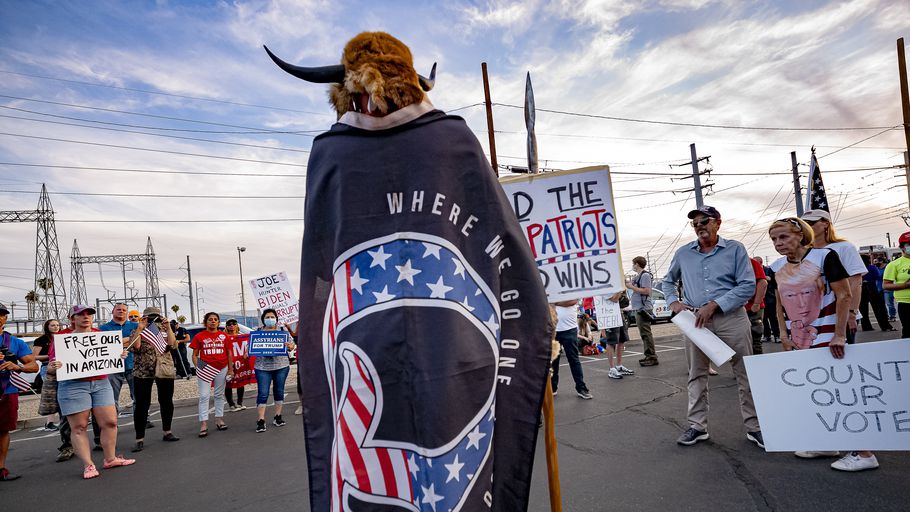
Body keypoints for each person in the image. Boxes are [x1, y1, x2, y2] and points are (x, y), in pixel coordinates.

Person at [767, 218, 877, 471]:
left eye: (783, 237)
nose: (778, 243)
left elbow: (844, 294)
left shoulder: (824, 257)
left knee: (840, 391)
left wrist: (839, 334)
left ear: (800, 234)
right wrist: (783, 334)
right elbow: (779, 303)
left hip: (828, 333)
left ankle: (864, 452)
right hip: (800, 336)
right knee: (815, 391)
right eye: (774, 239)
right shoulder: (777, 267)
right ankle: (827, 442)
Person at [661, 206, 763, 448]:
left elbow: (748, 285)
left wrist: (716, 304)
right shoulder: (684, 253)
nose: (699, 226)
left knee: (745, 372)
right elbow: (668, 281)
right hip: (696, 320)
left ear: (718, 223)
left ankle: (755, 427)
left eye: (704, 221)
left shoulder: (735, 249)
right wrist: (673, 302)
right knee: (696, 374)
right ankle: (697, 426)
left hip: (731, 317)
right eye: (694, 223)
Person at [49, 305, 135, 479]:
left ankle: (110, 458)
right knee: (79, 426)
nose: (85, 317)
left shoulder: (100, 335)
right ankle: (88, 465)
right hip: (73, 385)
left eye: (89, 314)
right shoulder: (62, 338)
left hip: (100, 383)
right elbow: (52, 364)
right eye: (80, 314)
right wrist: (52, 366)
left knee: (110, 422)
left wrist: (120, 355)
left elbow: (110, 355)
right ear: (72, 318)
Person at [800, 210, 866, 344]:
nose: (807, 226)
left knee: (841, 354)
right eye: (803, 224)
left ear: (825, 224)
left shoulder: (844, 247)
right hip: (813, 316)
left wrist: (852, 312)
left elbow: (856, 281)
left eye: (811, 223)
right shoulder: (803, 252)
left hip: (840, 314)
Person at [126, 307, 180, 452]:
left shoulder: (164, 330)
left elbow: (173, 345)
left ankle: (167, 431)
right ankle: (139, 439)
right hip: (143, 371)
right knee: (142, 404)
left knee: (167, 401)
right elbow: (135, 347)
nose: (153, 320)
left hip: (164, 368)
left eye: (156, 317)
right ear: (144, 318)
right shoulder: (138, 330)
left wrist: (168, 328)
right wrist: (140, 328)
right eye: (150, 317)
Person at [0, 302, 39, 481]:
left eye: (1, 314)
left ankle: (1, 469)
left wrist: (18, 367)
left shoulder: (14, 342)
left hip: (6, 390)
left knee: (3, 430)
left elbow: (33, 365)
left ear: (5, 318)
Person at [190, 312, 233, 436]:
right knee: (204, 396)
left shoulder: (224, 336)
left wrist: (230, 369)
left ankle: (219, 419)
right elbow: (194, 355)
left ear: (218, 322)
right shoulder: (199, 336)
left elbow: (229, 353)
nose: (213, 321)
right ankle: (203, 423)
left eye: (215, 319)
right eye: (210, 319)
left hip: (222, 368)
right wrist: (200, 368)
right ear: (206, 322)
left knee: (219, 394)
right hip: (206, 369)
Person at [253, 309, 297, 432]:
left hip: (281, 366)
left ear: (276, 319)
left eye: (272, 317)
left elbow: (292, 344)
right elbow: (250, 346)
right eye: (268, 317)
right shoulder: (257, 331)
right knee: (263, 393)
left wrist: (290, 346)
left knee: (279, 391)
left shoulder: (282, 331)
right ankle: (261, 419)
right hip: (262, 367)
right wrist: (248, 351)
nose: (270, 319)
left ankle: (278, 416)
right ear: (263, 319)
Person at [99, 303, 139, 422]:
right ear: (113, 311)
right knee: (112, 398)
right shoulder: (103, 328)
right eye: (118, 309)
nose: (121, 311)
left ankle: (142, 420)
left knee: (137, 396)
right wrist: (129, 339)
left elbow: (139, 342)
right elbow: (103, 345)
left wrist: (116, 342)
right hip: (113, 367)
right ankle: (112, 423)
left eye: (124, 310)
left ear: (127, 312)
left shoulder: (136, 325)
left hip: (133, 365)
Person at [551, 300, 593, 399]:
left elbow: (572, 301)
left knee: (574, 360)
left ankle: (581, 387)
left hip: (569, 329)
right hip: (553, 329)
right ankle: (552, 387)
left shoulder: (570, 285)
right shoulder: (551, 286)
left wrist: (554, 302)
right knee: (553, 361)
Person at [626, 256, 658, 366]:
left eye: (633, 264)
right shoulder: (639, 276)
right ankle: (648, 355)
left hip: (643, 308)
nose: (632, 266)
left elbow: (646, 291)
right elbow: (630, 284)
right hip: (639, 308)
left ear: (637, 264)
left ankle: (652, 357)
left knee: (646, 333)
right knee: (644, 333)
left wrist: (632, 287)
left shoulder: (645, 275)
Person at [32, 318, 61, 431]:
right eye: (53, 325)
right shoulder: (41, 340)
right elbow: (34, 356)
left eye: (57, 325)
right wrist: (51, 355)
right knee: (52, 394)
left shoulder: (63, 337)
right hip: (47, 367)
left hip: (63, 366)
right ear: (47, 327)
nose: (56, 327)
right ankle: (49, 423)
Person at [600, 291, 634, 379]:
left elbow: (624, 302)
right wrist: (620, 289)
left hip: (619, 313)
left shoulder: (614, 285)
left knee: (622, 340)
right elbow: (614, 299)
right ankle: (612, 369)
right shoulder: (605, 286)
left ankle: (619, 366)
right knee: (611, 342)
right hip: (609, 315)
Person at [883, 231, 910, 338]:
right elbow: (886, 285)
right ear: (902, 247)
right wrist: (905, 285)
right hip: (906, 304)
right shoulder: (894, 265)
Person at [860, 254, 895, 332]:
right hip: (872, 286)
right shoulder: (872, 267)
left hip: (861, 287)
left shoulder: (859, 268)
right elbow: (878, 276)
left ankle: (866, 326)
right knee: (878, 308)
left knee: (863, 308)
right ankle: (885, 326)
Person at [745, 257, 768, 355]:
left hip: (752, 307)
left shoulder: (750, 262)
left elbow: (763, 282)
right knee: (740, 341)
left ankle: (758, 366)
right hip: (735, 308)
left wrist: (757, 303)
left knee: (755, 340)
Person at [223, 319, 246, 411]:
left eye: (233, 324)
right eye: (229, 324)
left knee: (241, 382)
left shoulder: (242, 336)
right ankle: (231, 404)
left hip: (240, 362)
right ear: (226, 326)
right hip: (228, 363)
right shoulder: (224, 337)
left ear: (237, 326)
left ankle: (240, 403)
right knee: (228, 383)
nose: (231, 326)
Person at [758, 257, 781, 343]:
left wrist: (764, 277)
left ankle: (777, 335)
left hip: (770, 297)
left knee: (773, 318)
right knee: (763, 319)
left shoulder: (768, 270)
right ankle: (766, 335)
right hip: (760, 298)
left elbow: (772, 280)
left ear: (760, 262)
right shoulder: (753, 270)